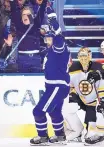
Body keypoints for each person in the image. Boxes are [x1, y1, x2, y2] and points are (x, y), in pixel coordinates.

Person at [30, 6, 70, 145]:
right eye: (46, 39)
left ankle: (43, 137)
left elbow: (59, 36)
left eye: (49, 39)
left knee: (38, 111)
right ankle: (60, 136)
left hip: (57, 86)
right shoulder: (51, 50)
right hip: (54, 87)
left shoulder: (60, 47)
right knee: (54, 112)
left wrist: (52, 17)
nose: (46, 41)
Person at [62, 47, 104, 142]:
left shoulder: (99, 68)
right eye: (81, 56)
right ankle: (77, 131)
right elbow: (70, 85)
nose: (83, 58)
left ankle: (91, 130)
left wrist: (103, 101)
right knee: (67, 107)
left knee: (90, 134)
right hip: (79, 96)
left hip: (93, 101)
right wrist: (71, 93)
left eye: (85, 56)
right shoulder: (73, 68)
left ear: (90, 56)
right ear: (78, 57)